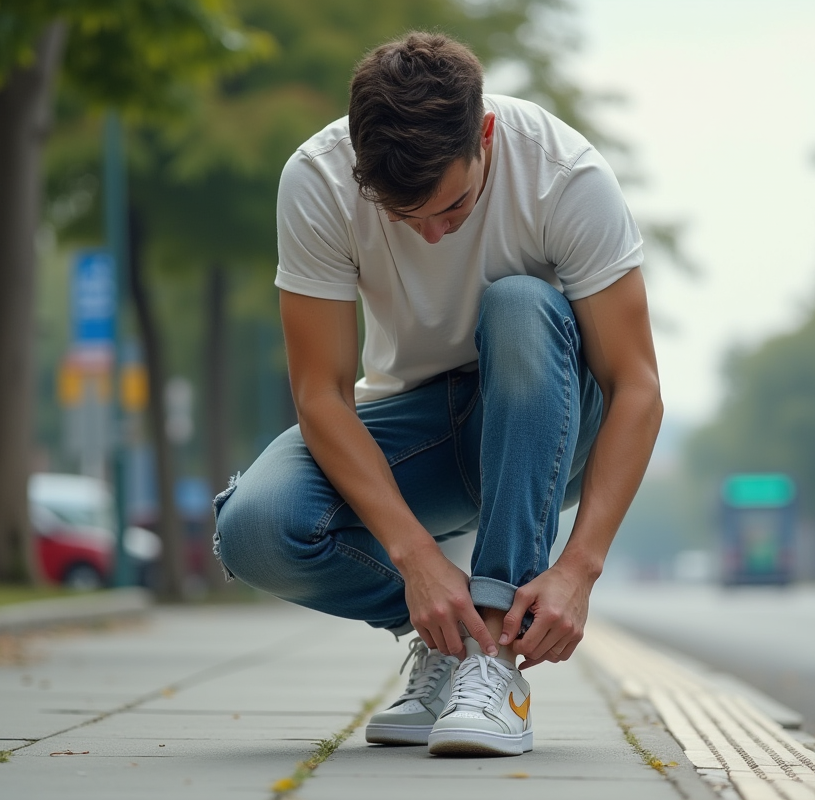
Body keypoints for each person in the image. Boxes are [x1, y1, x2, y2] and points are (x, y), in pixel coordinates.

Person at [212, 31, 662, 757]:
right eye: (402, 216)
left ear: (483, 133)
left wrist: (579, 567)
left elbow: (637, 387)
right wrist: (416, 556)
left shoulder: (564, 174)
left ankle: (496, 670)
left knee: (520, 304)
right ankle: (457, 645)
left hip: (551, 422)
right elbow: (321, 393)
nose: (430, 235)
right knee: (256, 528)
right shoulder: (317, 181)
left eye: (451, 210)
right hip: (417, 424)